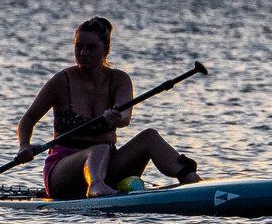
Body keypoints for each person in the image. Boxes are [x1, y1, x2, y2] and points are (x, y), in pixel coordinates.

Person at [16, 17, 198, 198]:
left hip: (108, 167)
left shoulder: (119, 80)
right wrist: (24, 145)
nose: (83, 53)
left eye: (91, 48)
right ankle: (95, 186)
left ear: (106, 49)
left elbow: (125, 116)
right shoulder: (61, 81)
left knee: (149, 136)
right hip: (62, 174)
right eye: (78, 47)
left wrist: (117, 117)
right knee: (99, 148)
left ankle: (192, 179)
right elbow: (28, 119)